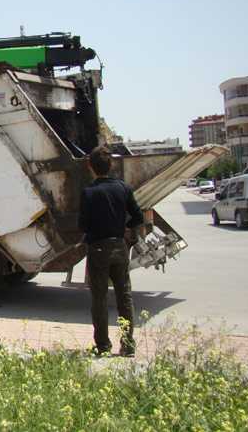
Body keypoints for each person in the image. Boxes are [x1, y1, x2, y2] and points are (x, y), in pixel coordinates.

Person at [78, 145, 144, 357]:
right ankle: (128, 345)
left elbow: (83, 225)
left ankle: (103, 346)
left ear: (90, 166)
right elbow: (138, 217)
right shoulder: (123, 188)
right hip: (119, 246)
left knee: (99, 298)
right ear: (111, 165)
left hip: (98, 249)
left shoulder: (89, 193)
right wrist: (124, 228)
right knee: (124, 297)